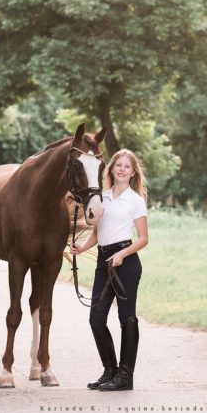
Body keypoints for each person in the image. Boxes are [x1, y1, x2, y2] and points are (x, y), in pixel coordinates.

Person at [70, 149, 148, 391]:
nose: (122, 169)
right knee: (96, 319)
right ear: (111, 169)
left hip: (125, 261)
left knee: (126, 317)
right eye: (118, 165)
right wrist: (81, 248)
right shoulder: (101, 197)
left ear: (132, 172)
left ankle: (125, 377)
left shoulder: (135, 200)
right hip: (104, 261)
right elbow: (97, 232)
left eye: (127, 166)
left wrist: (122, 254)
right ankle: (111, 371)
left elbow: (143, 238)